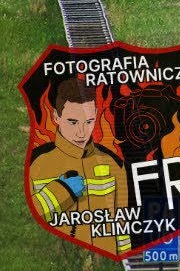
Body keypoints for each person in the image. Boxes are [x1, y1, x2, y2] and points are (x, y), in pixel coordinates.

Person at [28, 78, 131, 256]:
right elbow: (26, 224)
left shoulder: (112, 163)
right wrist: (61, 191)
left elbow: (122, 227)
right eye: (73, 122)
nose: (82, 132)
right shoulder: (38, 165)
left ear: (97, 114)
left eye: (89, 121)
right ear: (56, 117)